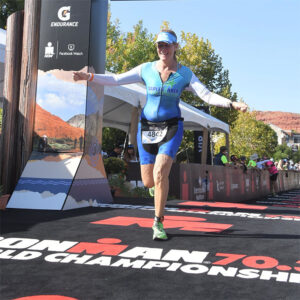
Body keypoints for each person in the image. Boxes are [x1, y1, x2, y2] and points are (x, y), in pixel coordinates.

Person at [73, 29, 247, 240]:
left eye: (167, 45)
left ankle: (158, 222)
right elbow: (116, 79)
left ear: (176, 47)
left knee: (160, 172)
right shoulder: (146, 69)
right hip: (146, 127)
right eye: (159, 46)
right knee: (148, 182)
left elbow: (207, 96)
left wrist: (232, 103)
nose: (163, 49)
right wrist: (89, 76)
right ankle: (156, 190)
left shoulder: (185, 74)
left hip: (172, 127)